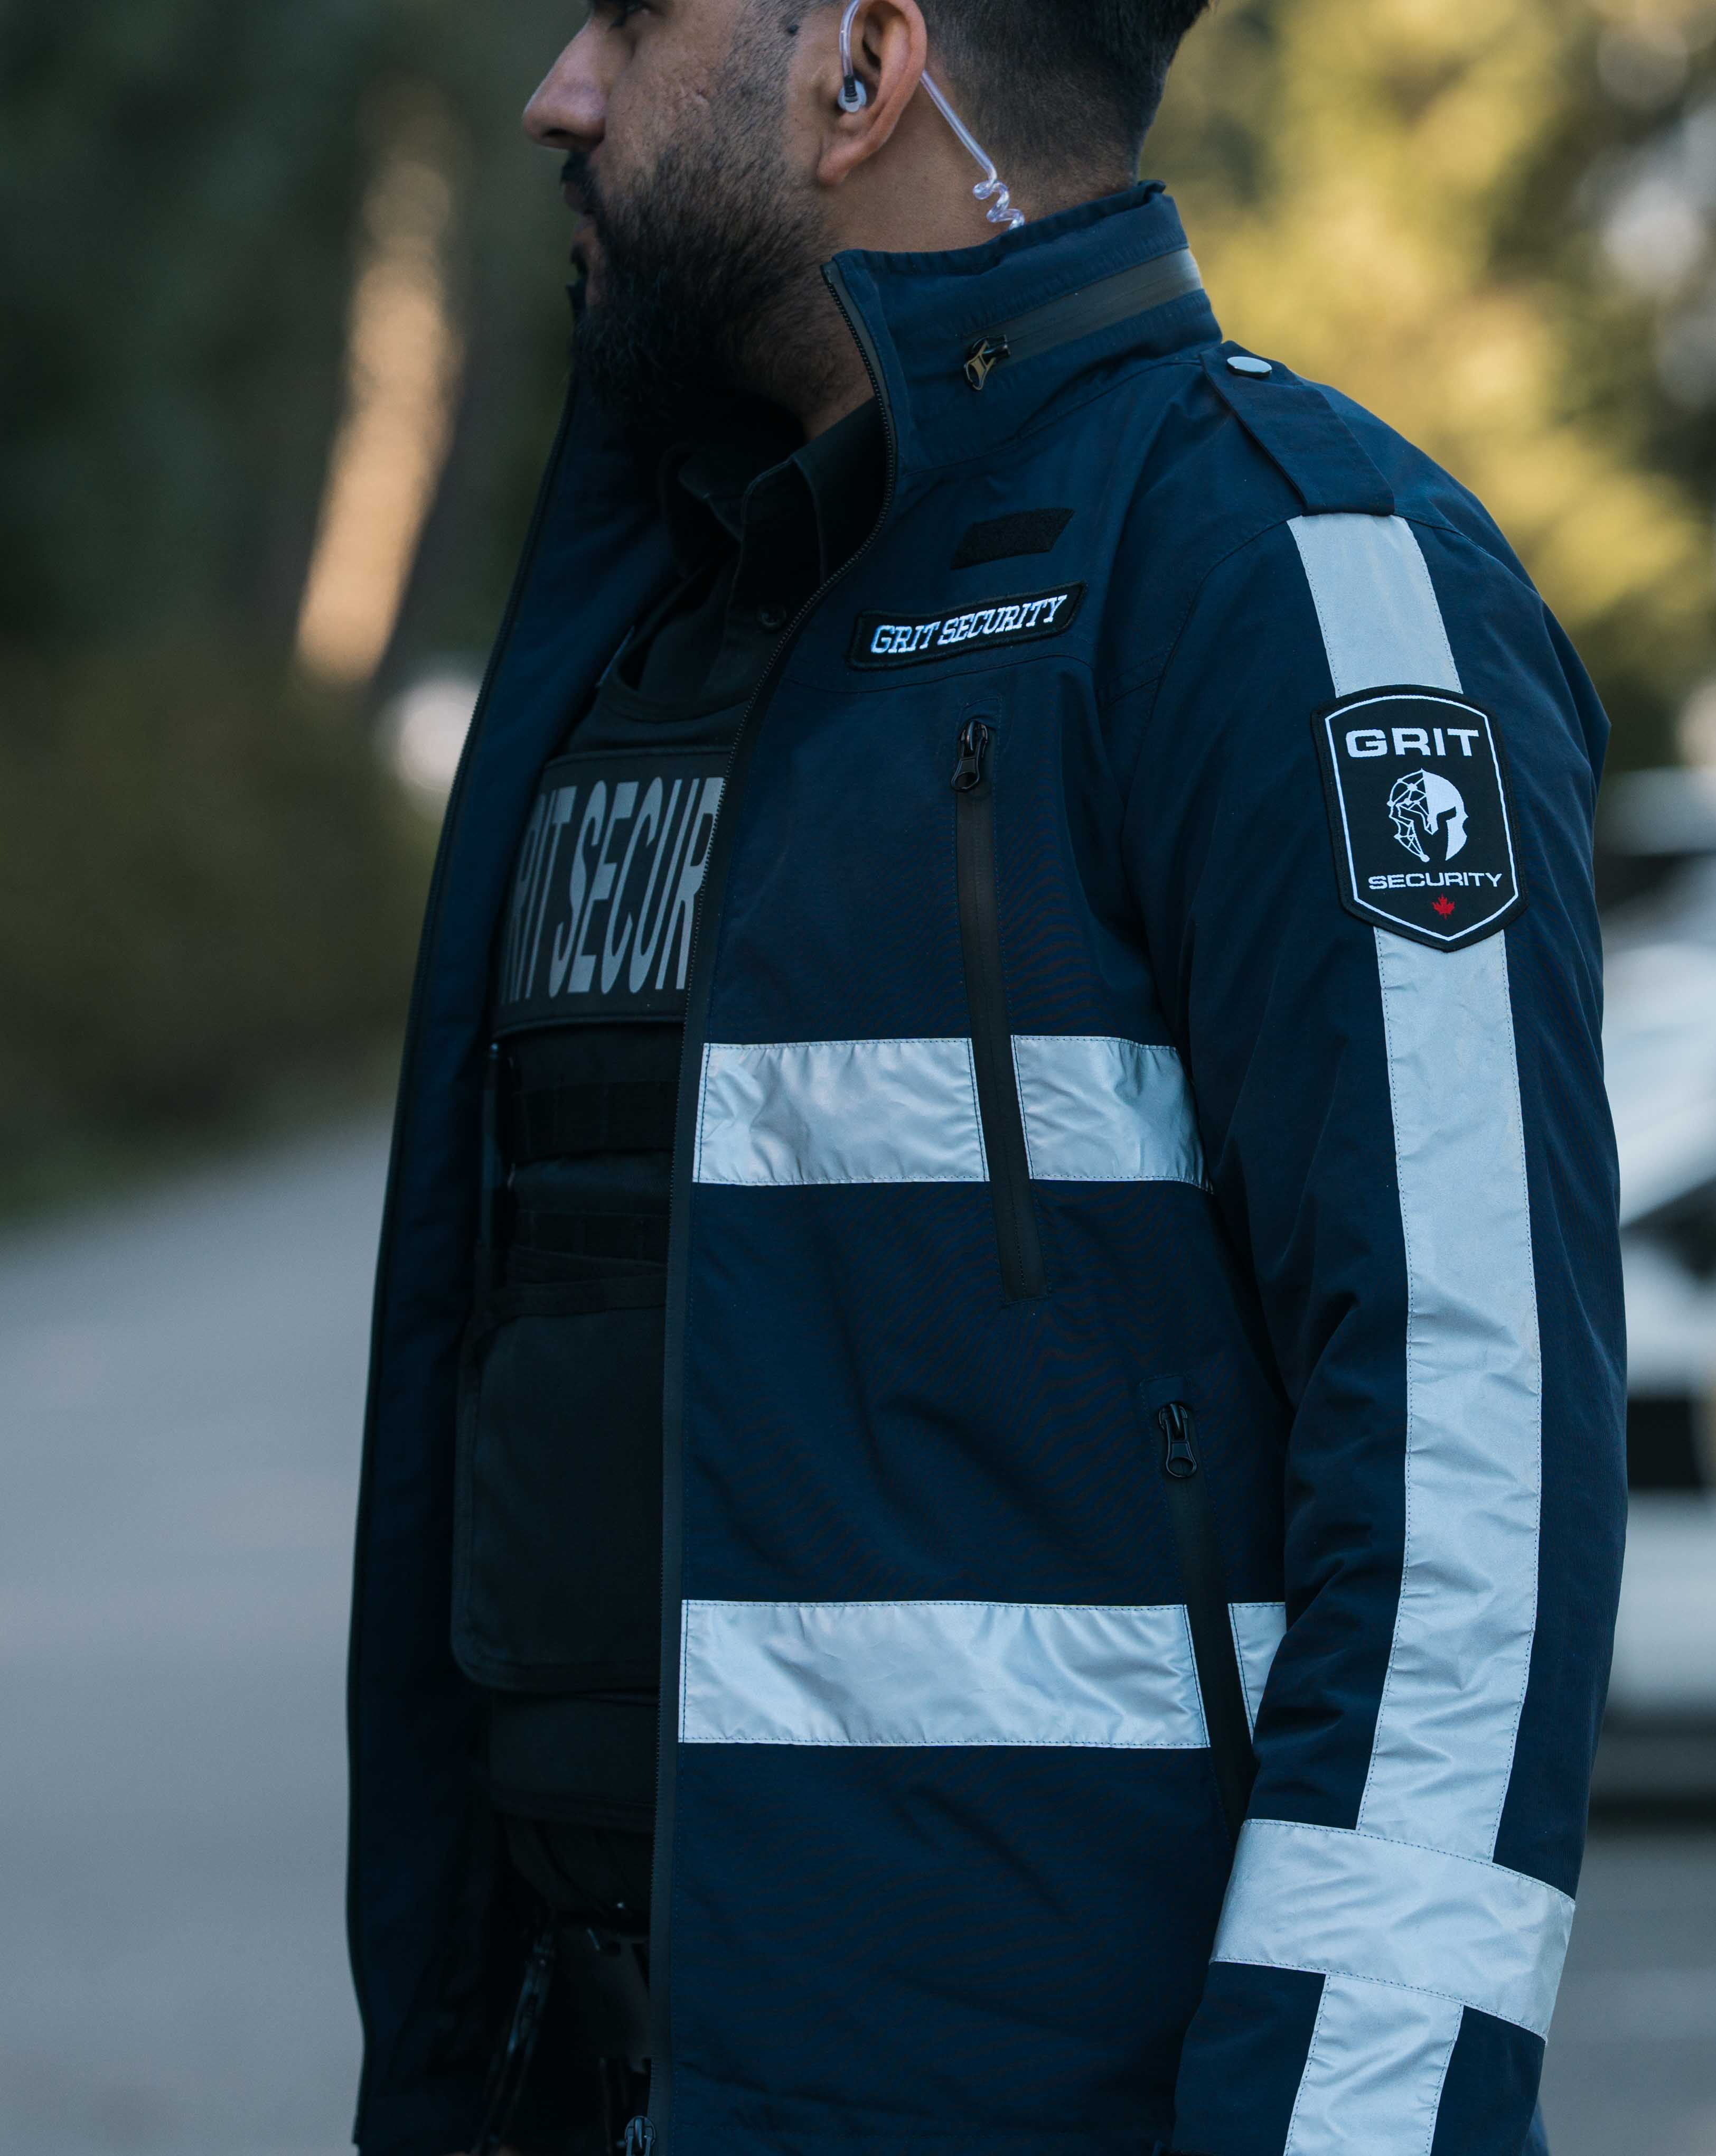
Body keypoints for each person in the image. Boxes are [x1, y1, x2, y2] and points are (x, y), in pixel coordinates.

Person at [341, 3, 1624, 2152]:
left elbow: (1471, 1504)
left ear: (864, 65)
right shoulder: (661, 620)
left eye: (637, 20)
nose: (563, 88)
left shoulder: (1293, 587)